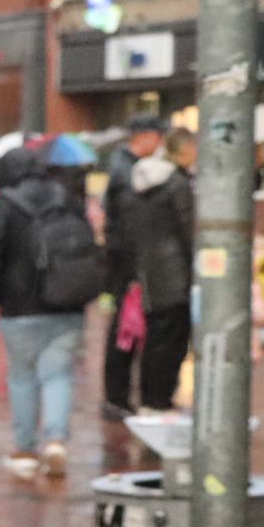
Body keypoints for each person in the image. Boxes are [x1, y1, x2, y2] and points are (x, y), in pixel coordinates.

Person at [0, 148, 90, 480]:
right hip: (67, 302)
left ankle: (26, 449)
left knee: (22, 375)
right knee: (58, 374)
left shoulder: (4, 206)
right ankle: (55, 441)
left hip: (19, 307)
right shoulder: (68, 199)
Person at [99, 116, 165, 418]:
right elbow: (129, 224)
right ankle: (117, 398)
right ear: (145, 136)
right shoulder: (128, 171)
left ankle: (119, 396)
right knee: (125, 330)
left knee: (126, 328)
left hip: (126, 263)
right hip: (127, 266)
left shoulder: (125, 166)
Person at [128, 127, 197, 413]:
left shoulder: (146, 182)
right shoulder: (177, 184)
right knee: (173, 340)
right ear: (184, 149)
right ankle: (161, 399)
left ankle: (150, 398)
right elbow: (188, 230)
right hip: (175, 271)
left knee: (155, 338)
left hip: (152, 270)